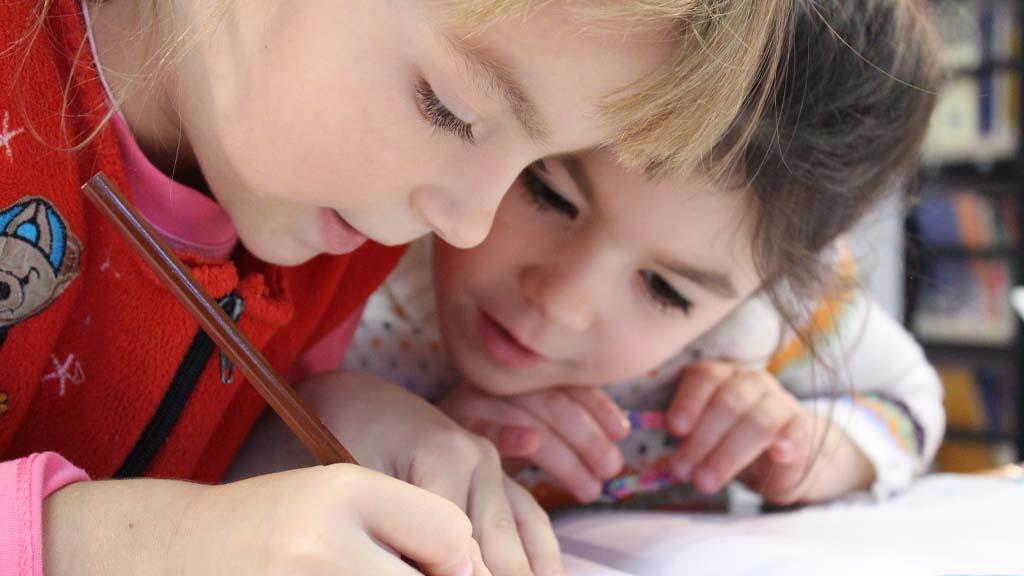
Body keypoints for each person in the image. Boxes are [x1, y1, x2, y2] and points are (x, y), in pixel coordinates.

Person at [0, 0, 793, 574]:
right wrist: (147, 545)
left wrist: (310, 437)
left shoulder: (333, 227)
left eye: (530, 169)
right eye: (450, 110)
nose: (467, 226)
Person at [241, 0, 944, 512]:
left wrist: (815, 452)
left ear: (767, 290)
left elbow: (911, 402)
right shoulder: (361, 242)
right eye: (547, 193)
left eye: (667, 290)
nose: (562, 301)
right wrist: (372, 434)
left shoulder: (764, 328)